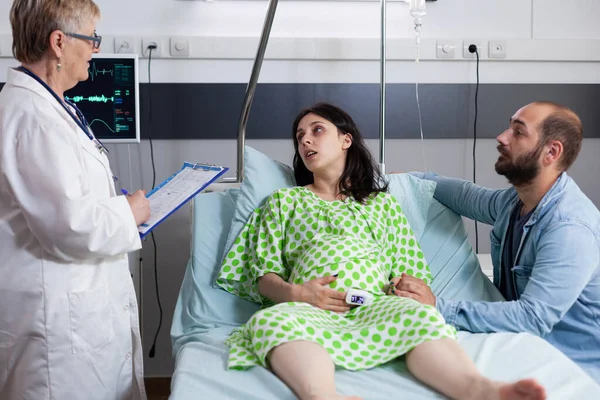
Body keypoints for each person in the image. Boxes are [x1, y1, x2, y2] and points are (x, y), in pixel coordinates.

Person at [216, 102, 546, 400]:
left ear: (346, 140)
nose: (305, 141)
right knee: (269, 322)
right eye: (300, 136)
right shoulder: (283, 202)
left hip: (375, 304)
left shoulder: (381, 204)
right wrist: (298, 294)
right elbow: (264, 274)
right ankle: (322, 396)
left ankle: (481, 390)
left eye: (317, 131)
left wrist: (408, 288)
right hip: (308, 309)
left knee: (420, 316)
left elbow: (407, 266)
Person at [0, 1, 151, 398]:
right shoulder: (34, 118)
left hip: (72, 311)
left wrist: (113, 206)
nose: (96, 49)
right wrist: (129, 211)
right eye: (92, 39)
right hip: (57, 328)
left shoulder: (50, 107)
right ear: (59, 43)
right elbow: (69, 226)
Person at [394, 101, 600, 383]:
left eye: (518, 132)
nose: (502, 137)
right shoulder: (516, 203)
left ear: (551, 152)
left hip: (574, 368)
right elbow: (463, 195)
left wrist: (437, 306)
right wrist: (403, 181)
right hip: (523, 350)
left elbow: (533, 318)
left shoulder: (569, 229)